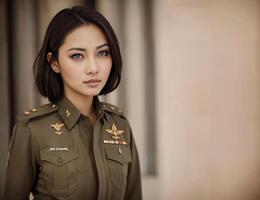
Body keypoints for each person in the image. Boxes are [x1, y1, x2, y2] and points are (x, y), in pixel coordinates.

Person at [3, 6, 142, 200]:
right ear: (54, 62)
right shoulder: (32, 129)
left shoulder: (119, 125)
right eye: (77, 56)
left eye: (102, 53)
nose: (93, 68)